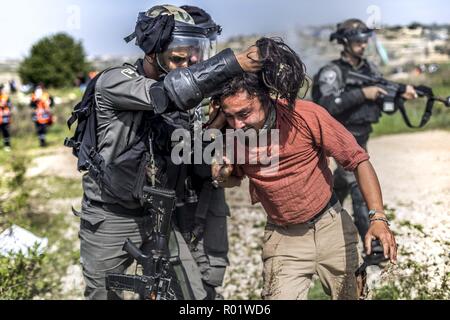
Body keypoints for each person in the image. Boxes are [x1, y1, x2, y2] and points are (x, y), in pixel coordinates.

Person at [70, 4, 260, 300]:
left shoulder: (184, 102)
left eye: (192, 55)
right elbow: (169, 94)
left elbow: (192, 156)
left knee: (194, 296)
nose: (187, 63)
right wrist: (237, 62)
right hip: (112, 215)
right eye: (177, 57)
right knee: (104, 294)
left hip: (161, 215)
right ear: (151, 52)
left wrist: (218, 124)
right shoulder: (115, 81)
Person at [210, 37, 397, 300]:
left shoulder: (306, 116)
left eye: (244, 114)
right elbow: (231, 178)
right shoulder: (231, 134)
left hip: (330, 227)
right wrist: (222, 175)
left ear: (266, 99)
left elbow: (358, 160)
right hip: (283, 237)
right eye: (230, 116)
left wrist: (378, 218)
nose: (237, 124)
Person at [311, 19, 416, 265]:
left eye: (365, 39)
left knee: (341, 182)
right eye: (358, 40)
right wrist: (362, 94)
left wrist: (401, 94)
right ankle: (374, 249)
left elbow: (382, 95)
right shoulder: (332, 72)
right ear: (345, 42)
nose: (363, 44)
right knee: (359, 185)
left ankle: (322, 213)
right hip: (340, 137)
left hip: (362, 136)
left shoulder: (370, 69)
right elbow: (325, 105)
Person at [0, 84, 12, 151]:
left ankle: (7, 145)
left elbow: (9, 105)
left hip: (4, 117)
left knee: (5, 131)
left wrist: (4, 105)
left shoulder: (5, 97)